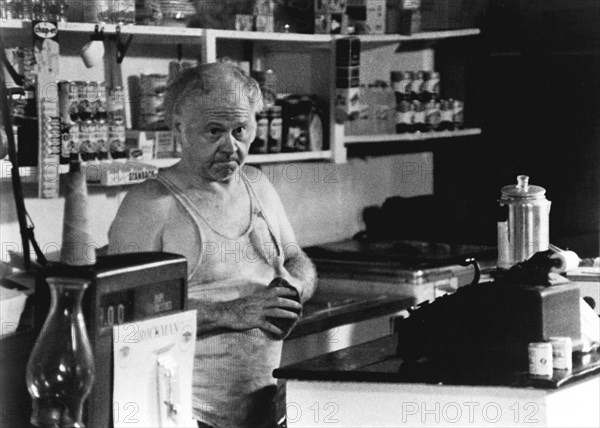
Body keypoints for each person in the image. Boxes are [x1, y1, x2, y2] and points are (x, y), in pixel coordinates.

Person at [107, 62, 317, 428]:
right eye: (214, 131)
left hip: (263, 407)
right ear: (179, 130)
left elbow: (297, 258)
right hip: (185, 414)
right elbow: (124, 316)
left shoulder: (258, 186)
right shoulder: (150, 204)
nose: (230, 146)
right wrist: (231, 313)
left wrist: (293, 291)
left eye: (240, 130)